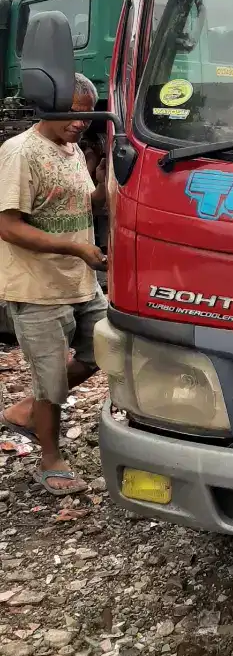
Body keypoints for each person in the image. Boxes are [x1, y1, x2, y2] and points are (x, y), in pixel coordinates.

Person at [0, 74, 108, 494]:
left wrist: (101, 185)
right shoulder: (20, 153)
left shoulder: (73, 149)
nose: (81, 123)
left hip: (79, 281)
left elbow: (81, 204)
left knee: (101, 352)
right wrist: (76, 249)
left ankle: (26, 412)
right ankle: (50, 459)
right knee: (50, 380)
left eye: (87, 115)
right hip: (37, 287)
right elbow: (8, 227)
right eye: (74, 113)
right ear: (49, 104)